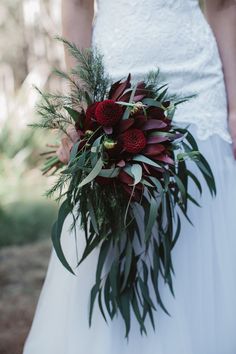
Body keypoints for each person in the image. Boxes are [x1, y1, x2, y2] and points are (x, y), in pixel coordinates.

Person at [23, 1, 236, 353]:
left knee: (202, 226)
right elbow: (76, 6)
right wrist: (80, 102)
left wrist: (233, 107)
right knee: (119, 235)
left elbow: (224, 6)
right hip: (116, 78)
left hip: (200, 86)